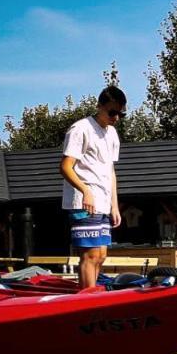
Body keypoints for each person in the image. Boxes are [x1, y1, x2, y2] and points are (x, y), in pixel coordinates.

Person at [60, 85, 124, 288]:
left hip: (103, 203)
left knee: (102, 256)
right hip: (84, 201)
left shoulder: (112, 134)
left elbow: (110, 171)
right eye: (112, 112)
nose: (116, 118)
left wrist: (114, 205)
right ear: (99, 106)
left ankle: (90, 292)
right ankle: (89, 299)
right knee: (90, 254)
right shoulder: (81, 129)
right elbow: (65, 166)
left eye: (120, 113)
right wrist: (85, 190)